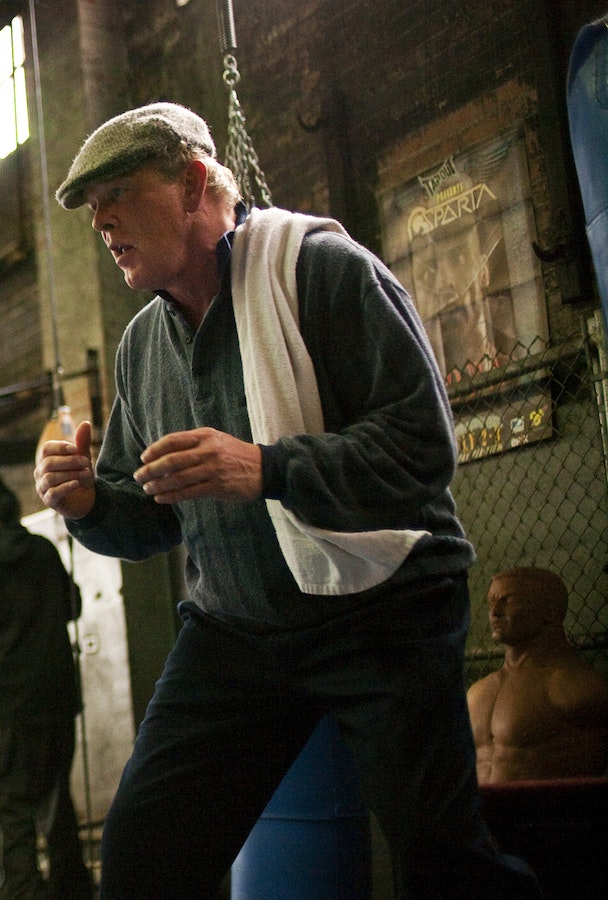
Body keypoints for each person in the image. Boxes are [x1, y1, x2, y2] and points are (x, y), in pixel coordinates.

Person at [33, 101, 539, 898]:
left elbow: (422, 448)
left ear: (194, 183)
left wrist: (268, 468)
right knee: (141, 859)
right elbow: (151, 517)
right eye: (92, 207)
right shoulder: (142, 347)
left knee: (444, 863)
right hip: (237, 632)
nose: (100, 221)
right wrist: (88, 504)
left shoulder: (323, 272)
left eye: (118, 193)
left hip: (382, 610)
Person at [0, 475, 93, 900]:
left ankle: (20, 893)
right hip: (58, 698)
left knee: (8, 809)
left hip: (7, 705)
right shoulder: (42, 550)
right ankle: (71, 891)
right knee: (57, 804)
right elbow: (74, 605)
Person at [467, 567, 608, 784]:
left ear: (550, 611)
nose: (494, 612)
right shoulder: (477, 692)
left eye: (509, 601)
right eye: (491, 602)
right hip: (480, 806)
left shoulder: (575, 686)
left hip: (548, 806)